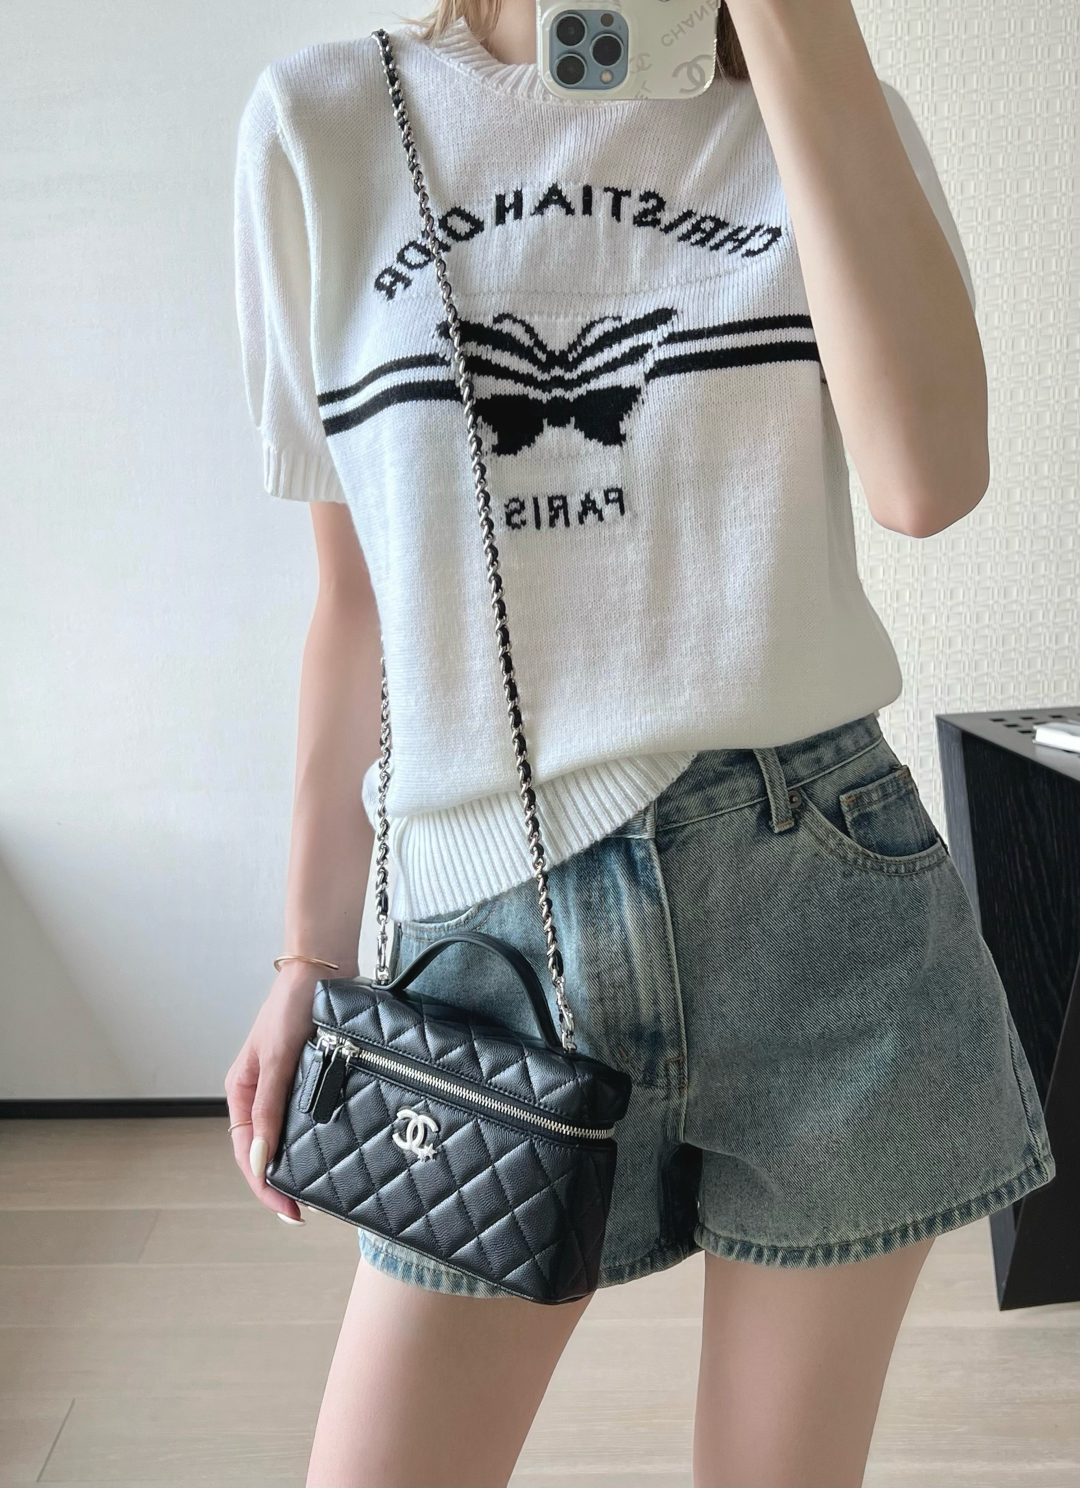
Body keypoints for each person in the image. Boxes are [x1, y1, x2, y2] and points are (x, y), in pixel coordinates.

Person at [225, 1, 1055, 1483]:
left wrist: (799, 29)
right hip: (494, 938)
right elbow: (354, 603)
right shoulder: (326, 126)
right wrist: (307, 952)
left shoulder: (827, 114)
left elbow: (927, 482)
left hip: (823, 900)